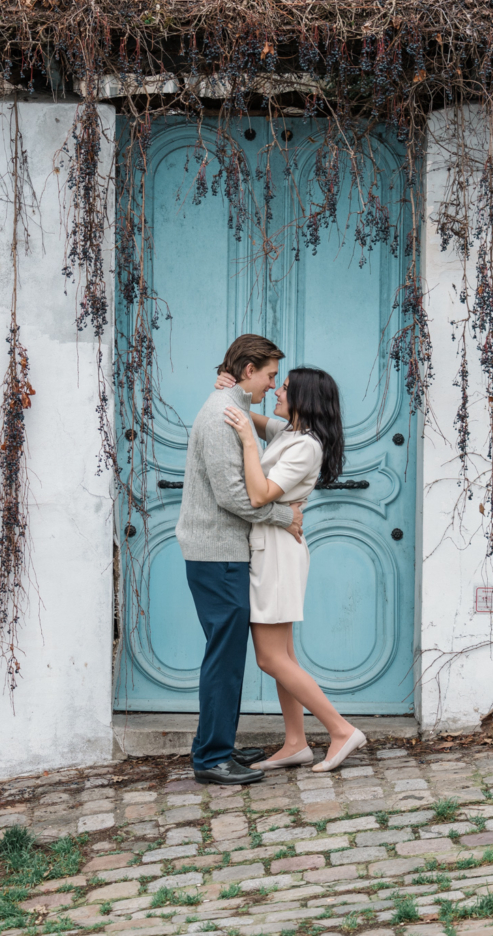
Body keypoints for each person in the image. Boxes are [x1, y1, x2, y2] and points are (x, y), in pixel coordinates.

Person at [217, 366, 367, 773]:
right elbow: (247, 415)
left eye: (282, 387)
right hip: (273, 548)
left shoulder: (306, 447)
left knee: (270, 658)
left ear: (303, 398)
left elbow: (261, 493)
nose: (275, 391)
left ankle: (340, 730)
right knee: (284, 655)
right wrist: (230, 390)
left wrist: (248, 440)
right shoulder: (288, 434)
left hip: (278, 554)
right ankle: (296, 742)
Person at [176, 334, 305, 786]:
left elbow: (276, 434)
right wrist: (283, 515)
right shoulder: (219, 417)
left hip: (223, 553)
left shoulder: (229, 409)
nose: (272, 385)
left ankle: (219, 745)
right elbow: (233, 495)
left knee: (228, 655)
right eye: (270, 375)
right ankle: (211, 758)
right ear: (249, 370)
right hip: (217, 555)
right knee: (224, 657)